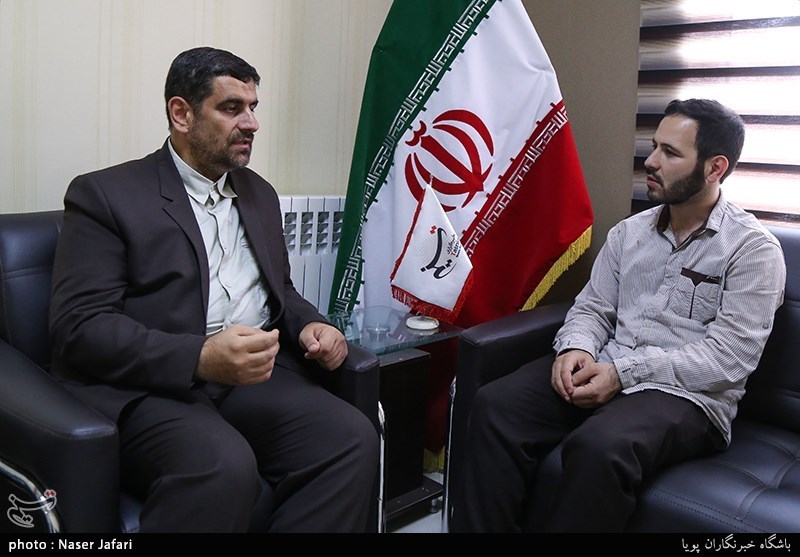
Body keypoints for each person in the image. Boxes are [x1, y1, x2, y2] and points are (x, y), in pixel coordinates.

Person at [48, 46, 379, 533]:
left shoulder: (258, 192)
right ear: (181, 114)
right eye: (231, 108)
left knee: (351, 438)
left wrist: (312, 323)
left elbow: (281, 289)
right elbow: (80, 328)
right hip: (153, 387)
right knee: (222, 466)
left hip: (251, 379)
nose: (252, 123)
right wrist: (200, 357)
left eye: (253, 108)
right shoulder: (105, 195)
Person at [449, 98, 786, 532]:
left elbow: (727, 359)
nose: (652, 161)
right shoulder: (629, 232)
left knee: (600, 447)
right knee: (496, 405)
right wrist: (575, 348)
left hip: (686, 395)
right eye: (655, 146)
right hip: (607, 364)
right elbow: (593, 307)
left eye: (670, 152)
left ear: (714, 168)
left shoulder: (753, 250)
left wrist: (623, 374)